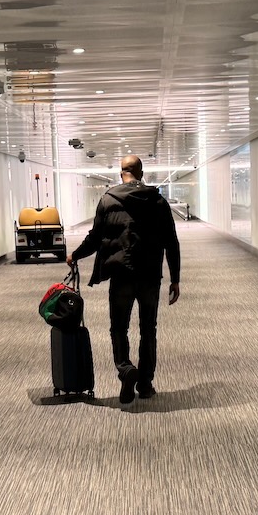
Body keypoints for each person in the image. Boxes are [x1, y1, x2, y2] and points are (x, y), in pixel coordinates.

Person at [68, 155, 181, 405]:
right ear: (141, 173)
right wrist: (175, 278)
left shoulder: (108, 199)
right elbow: (171, 241)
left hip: (121, 275)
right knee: (148, 330)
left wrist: (75, 255)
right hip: (150, 275)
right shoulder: (158, 200)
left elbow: (95, 238)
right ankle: (146, 384)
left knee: (119, 328)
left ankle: (125, 369)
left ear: (121, 173)